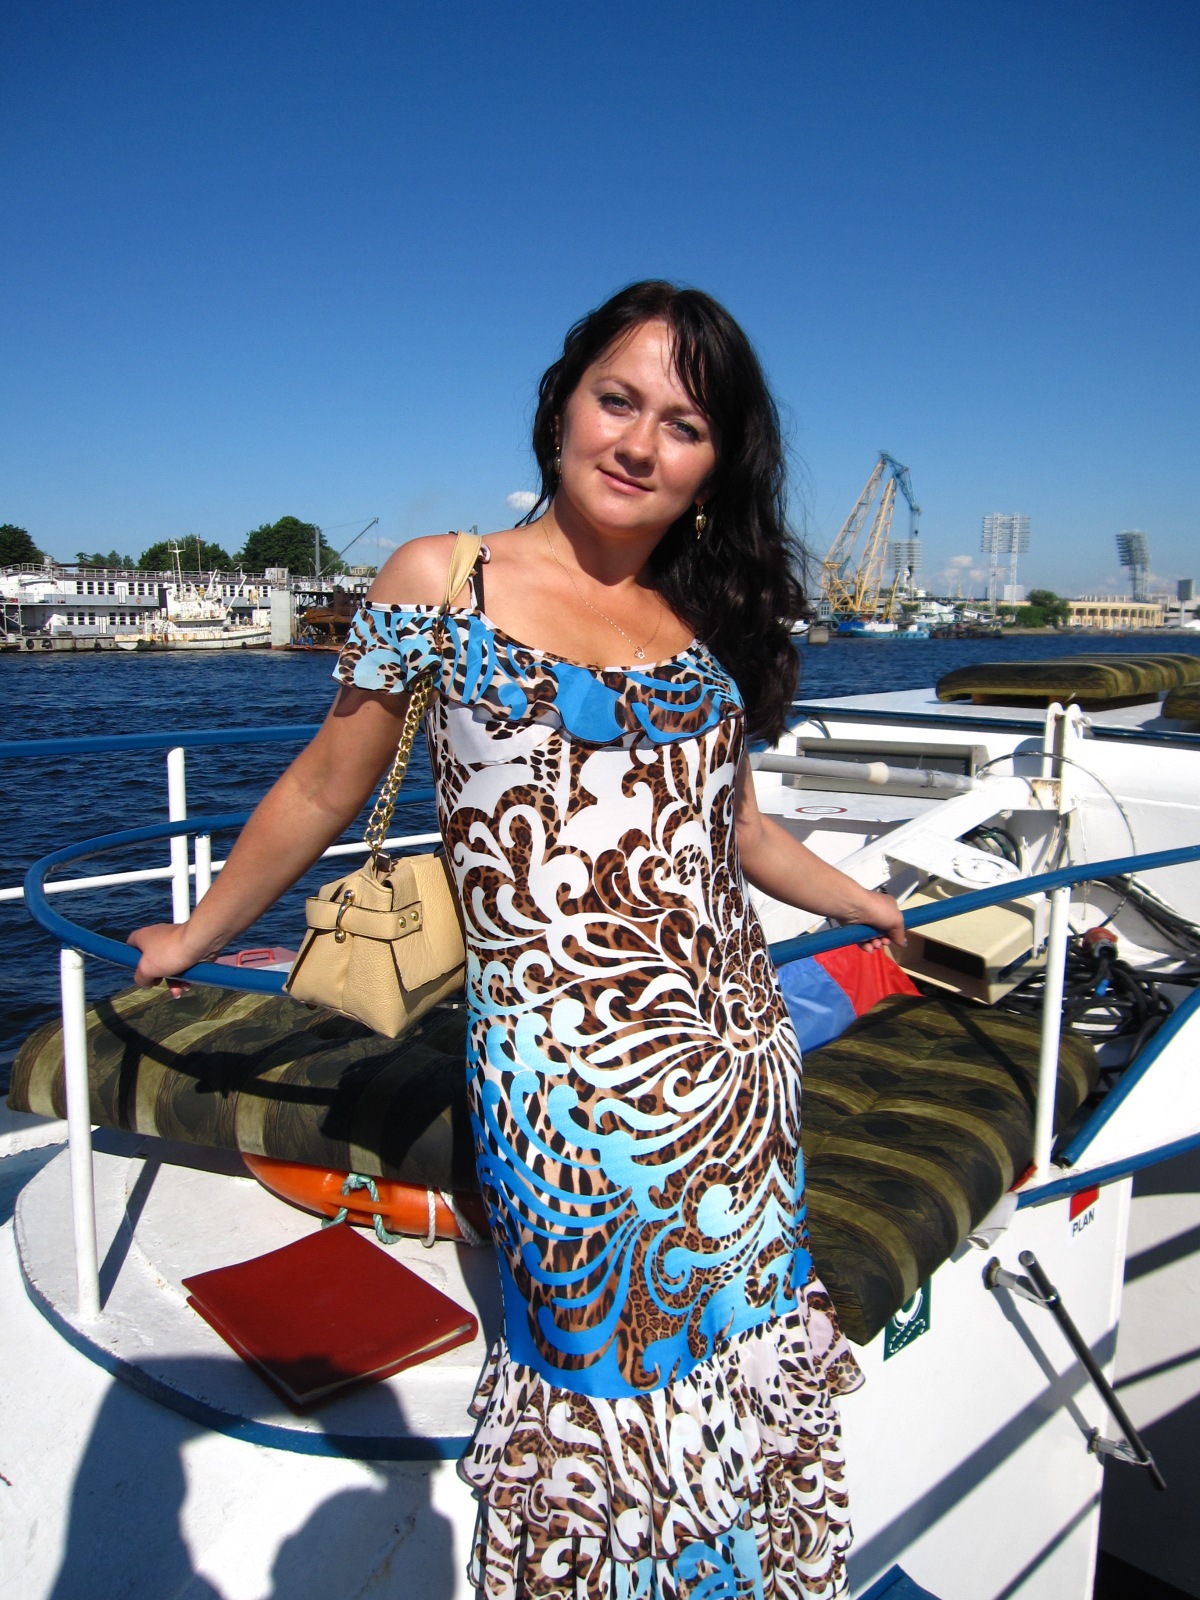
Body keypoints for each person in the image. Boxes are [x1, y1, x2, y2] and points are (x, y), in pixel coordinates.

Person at [131, 280, 904, 1599]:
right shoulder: (445, 579)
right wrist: (197, 933)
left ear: (715, 465)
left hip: (735, 1075)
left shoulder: (700, 616)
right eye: (619, 400)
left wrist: (860, 902)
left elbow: (741, 831)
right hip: (565, 1099)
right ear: (562, 408)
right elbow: (324, 785)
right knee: (595, 1400)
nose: (640, 444)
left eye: (684, 425)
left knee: (736, 1387)